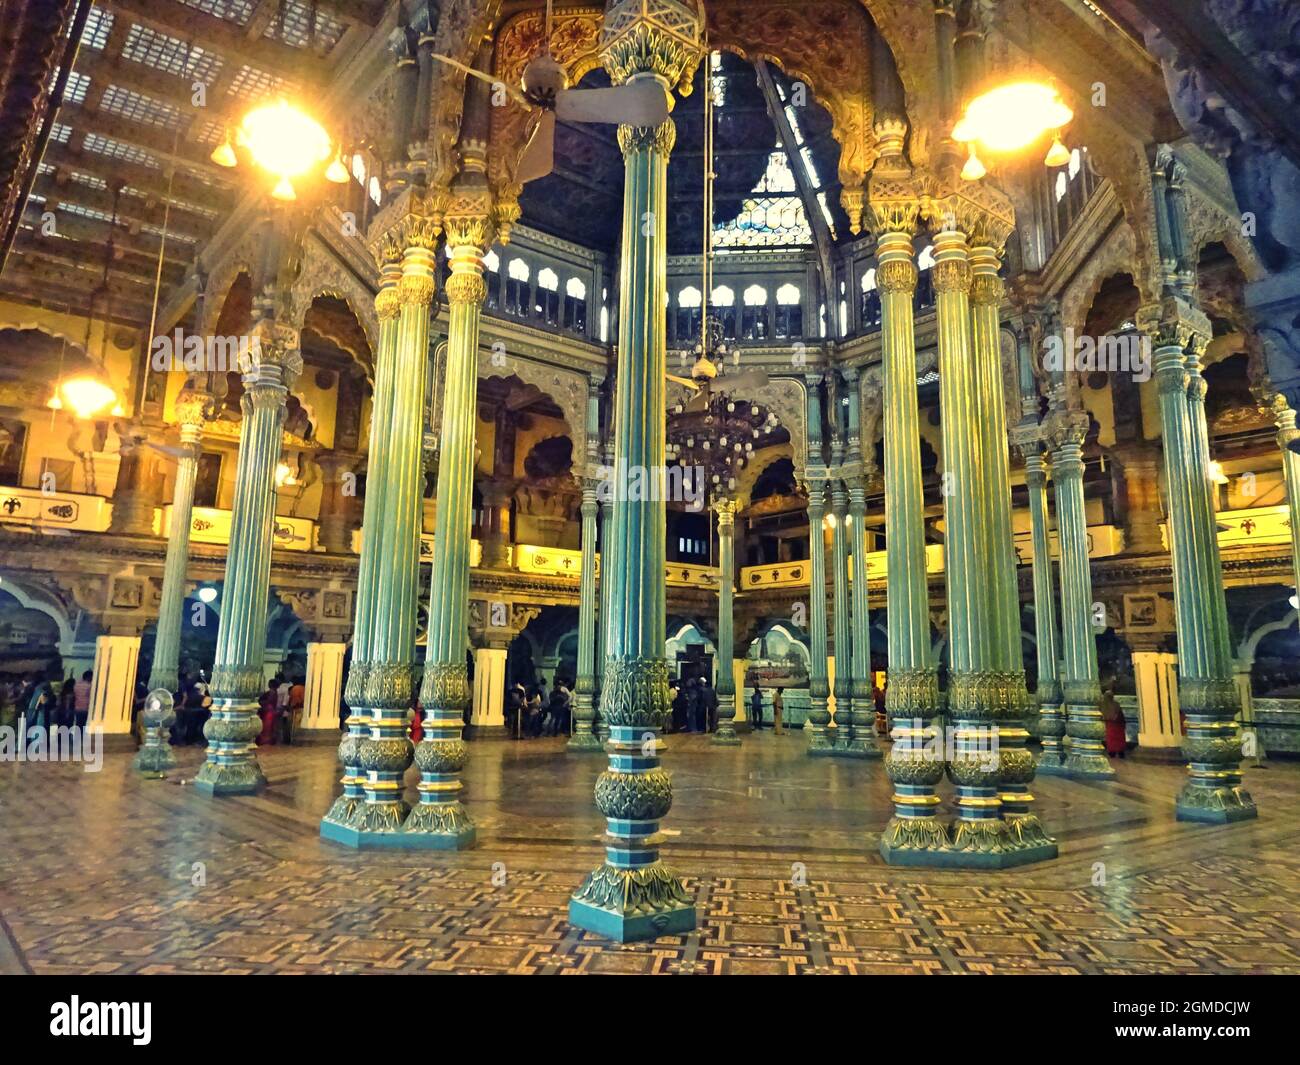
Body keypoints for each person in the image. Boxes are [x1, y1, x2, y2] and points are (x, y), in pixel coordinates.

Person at [1101, 684, 1126, 758]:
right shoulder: (1116, 704)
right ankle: (1120, 752)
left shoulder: (1103, 705)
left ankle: (1112, 752)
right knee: (1119, 739)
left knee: (1111, 739)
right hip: (1118, 724)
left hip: (1109, 724)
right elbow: (1120, 714)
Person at [257, 681, 279, 745]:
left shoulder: (272, 692)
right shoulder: (275, 692)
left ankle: (265, 741)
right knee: (270, 726)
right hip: (271, 710)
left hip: (268, 710)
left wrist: (261, 703)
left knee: (266, 727)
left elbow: (269, 701)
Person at [72, 669, 92, 739]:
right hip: (85, 708)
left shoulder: (76, 685)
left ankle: (77, 738)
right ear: (89, 677)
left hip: (77, 707)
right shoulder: (90, 686)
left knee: (78, 723)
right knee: (83, 724)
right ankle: (80, 738)